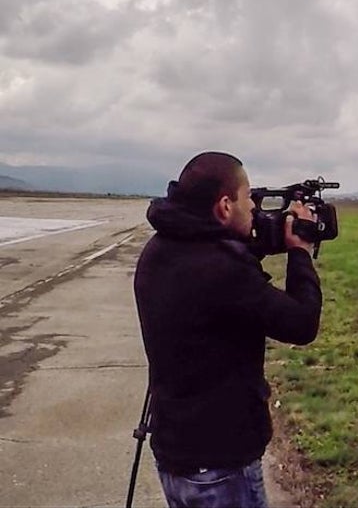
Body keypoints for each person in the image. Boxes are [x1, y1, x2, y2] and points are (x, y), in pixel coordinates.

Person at [133, 151, 322, 508]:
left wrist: (255, 244)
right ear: (223, 206)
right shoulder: (221, 270)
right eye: (248, 196)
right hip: (221, 465)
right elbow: (301, 323)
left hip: (177, 455)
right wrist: (300, 251)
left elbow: (221, 281)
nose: (254, 207)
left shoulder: (158, 250)